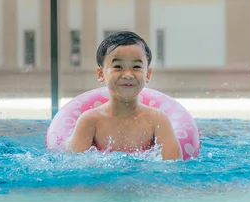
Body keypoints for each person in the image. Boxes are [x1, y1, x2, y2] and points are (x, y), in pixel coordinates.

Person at [68, 31, 183, 160]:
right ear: (100, 74)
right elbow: (76, 166)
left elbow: (173, 167)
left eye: (136, 66)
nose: (128, 74)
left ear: (148, 74)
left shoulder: (157, 120)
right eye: (118, 66)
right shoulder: (90, 121)